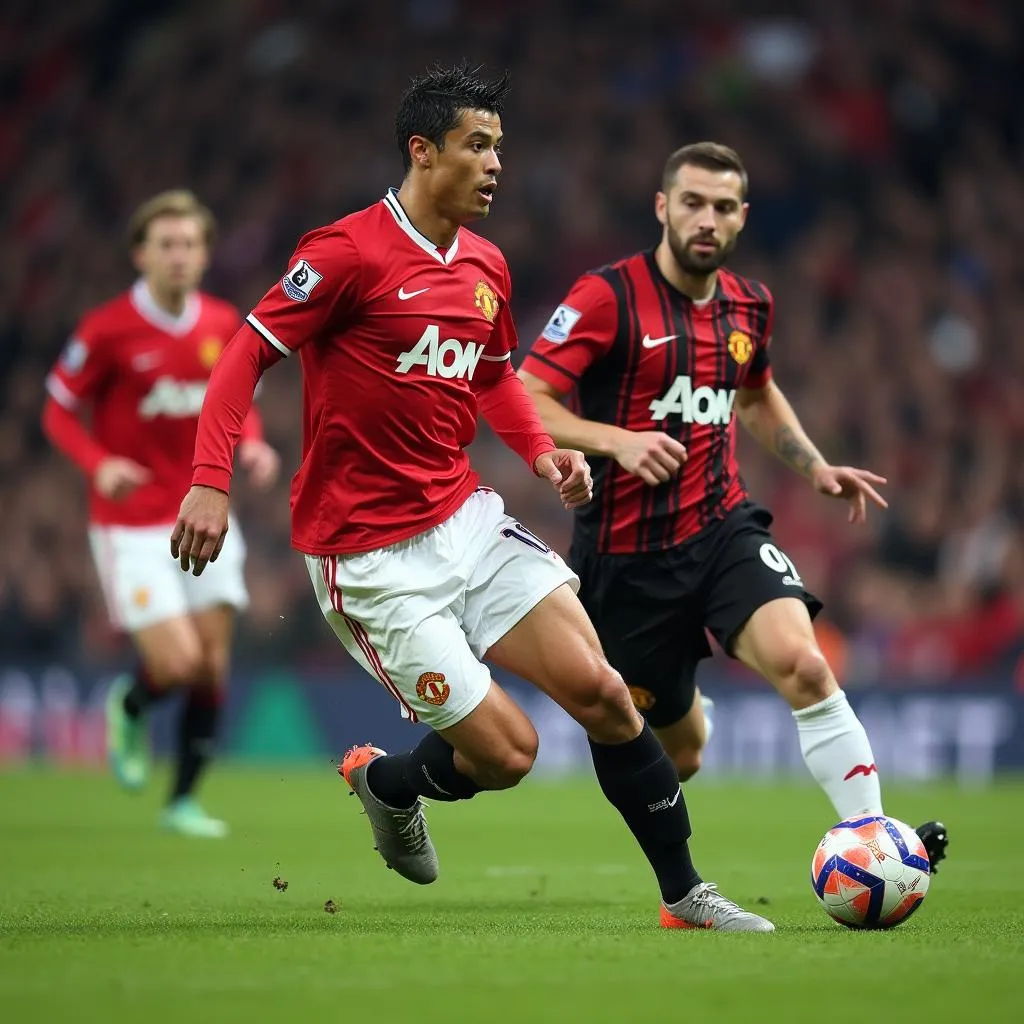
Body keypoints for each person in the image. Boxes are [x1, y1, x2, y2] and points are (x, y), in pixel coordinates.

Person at [171, 67, 772, 931]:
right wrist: (208, 481)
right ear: (423, 151)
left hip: (464, 518)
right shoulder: (343, 252)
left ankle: (686, 894)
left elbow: (494, 379)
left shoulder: (486, 263)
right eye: (477, 146)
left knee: (604, 692)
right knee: (509, 755)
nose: (496, 165)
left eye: (500, 148)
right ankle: (389, 782)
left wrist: (542, 452)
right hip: (367, 557)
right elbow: (242, 357)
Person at [519, 142, 948, 871]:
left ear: (742, 217)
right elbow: (526, 394)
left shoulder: (751, 304)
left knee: (806, 666)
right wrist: (616, 441)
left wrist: (814, 466)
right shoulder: (606, 297)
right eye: (692, 202)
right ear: (663, 207)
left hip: (722, 529)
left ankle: (877, 843)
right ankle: (690, 715)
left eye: (722, 207)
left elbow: (753, 392)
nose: (706, 219)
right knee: (680, 756)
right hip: (626, 564)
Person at [42, 190, 280, 837]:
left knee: (210, 665)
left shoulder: (221, 321)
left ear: (205, 254)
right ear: (140, 254)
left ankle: (182, 802)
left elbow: (239, 399)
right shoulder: (106, 330)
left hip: (206, 513)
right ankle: (132, 700)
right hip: (132, 524)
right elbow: (57, 410)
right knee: (174, 665)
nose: (178, 255)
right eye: (166, 244)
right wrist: (100, 464)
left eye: (190, 244)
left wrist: (252, 442)